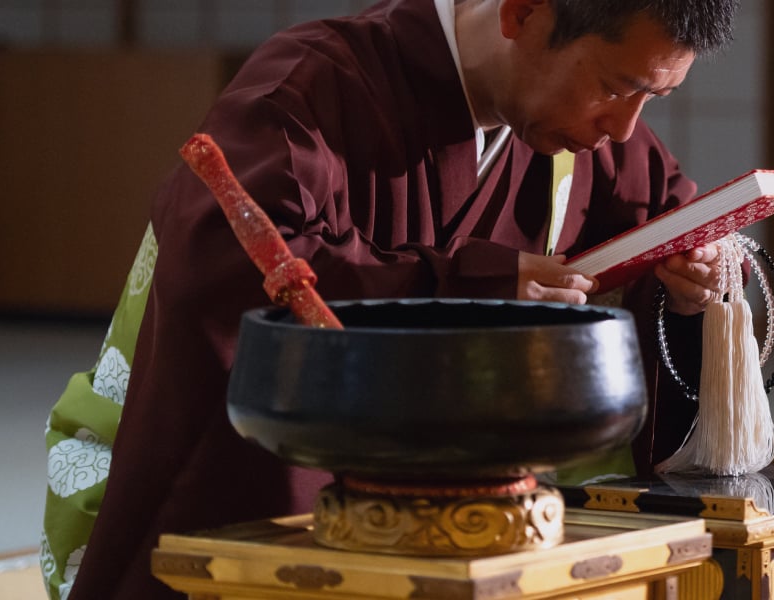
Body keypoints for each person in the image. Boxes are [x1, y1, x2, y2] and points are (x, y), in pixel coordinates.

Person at [39, 0, 738, 597]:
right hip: (282, 498)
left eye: (652, 98)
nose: (624, 128)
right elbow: (223, 264)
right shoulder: (312, 84)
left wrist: (688, 284)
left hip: (470, 517)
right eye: (616, 87)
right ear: (523, 13)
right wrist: (466, 289)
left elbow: (666, 223)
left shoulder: (577, 128)